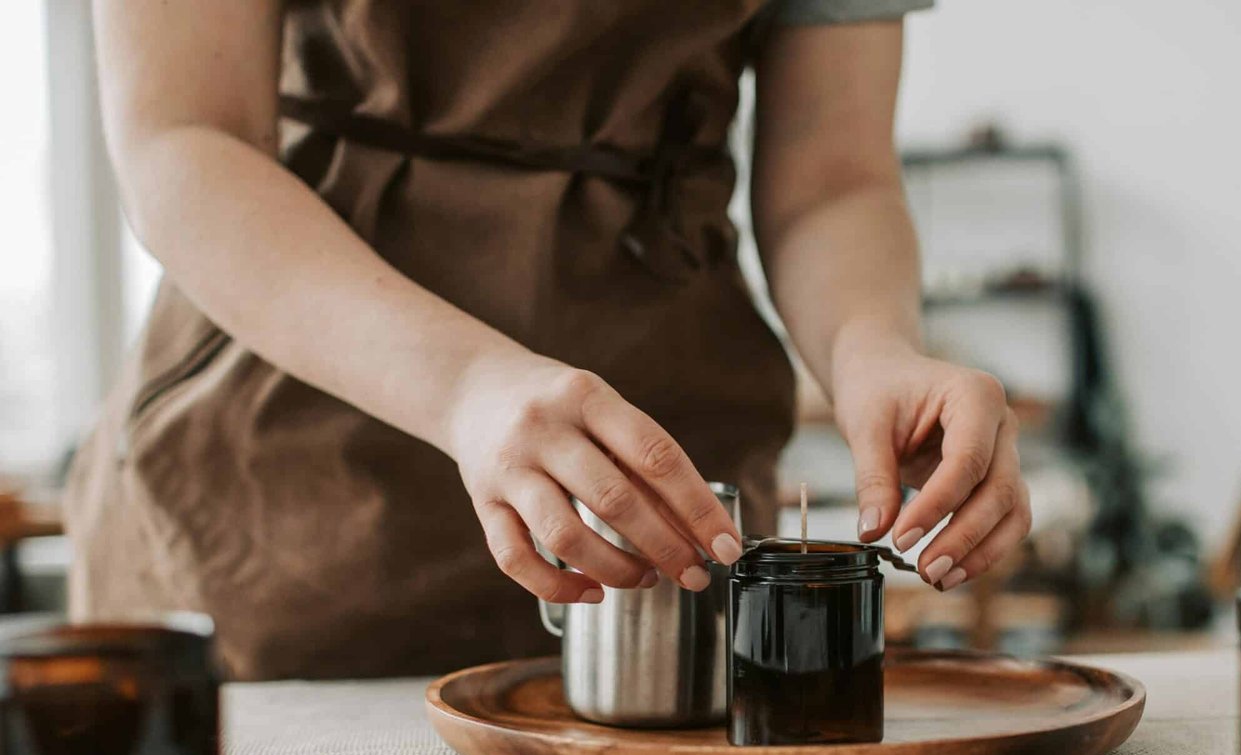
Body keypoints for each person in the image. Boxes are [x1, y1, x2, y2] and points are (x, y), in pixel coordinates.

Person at [69, 0, 1031, 680]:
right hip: (287, 473)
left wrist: (875, 347)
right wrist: (466, 387)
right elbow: (182, 137)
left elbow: (834, 179)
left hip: (663, 472)